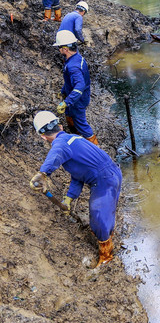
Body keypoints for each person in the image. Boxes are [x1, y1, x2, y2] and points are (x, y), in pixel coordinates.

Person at [29, 111, 122, 268]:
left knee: (99, 217)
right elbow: (78, 174)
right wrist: (70, 197)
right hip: (112, 174)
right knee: (104, 214)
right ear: (59, 126)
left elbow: (56, 153)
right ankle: (105, 236)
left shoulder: (61, 144)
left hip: (104, 180)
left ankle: (106, 257)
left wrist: (42, 174)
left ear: (43, 136)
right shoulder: (74, 138)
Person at [54, 30, 98, 145]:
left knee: (81, 123)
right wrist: (63, 91)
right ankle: (75, 135)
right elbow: (70, 82)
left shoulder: (73, 66)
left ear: (65, 49)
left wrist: (67, 102)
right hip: (74, 97)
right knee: (69, 114)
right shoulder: (76, 58)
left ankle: (96, 148)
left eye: (59, 47)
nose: (58, 50)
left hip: (78, 100)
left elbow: (79, 86)